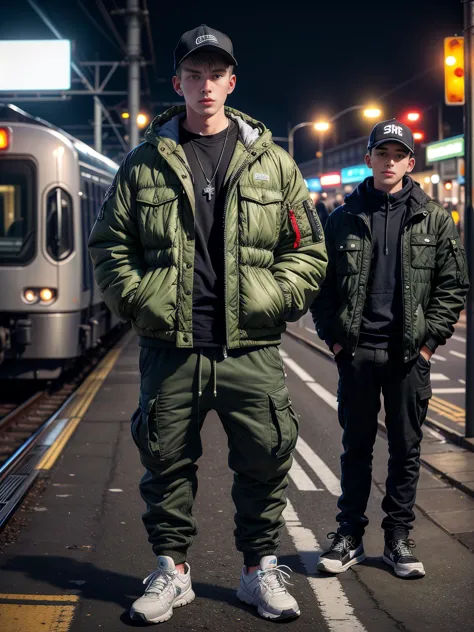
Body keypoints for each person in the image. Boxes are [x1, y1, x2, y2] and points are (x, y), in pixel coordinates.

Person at [89, 24, 327, 624]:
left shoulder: (273, 163)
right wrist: (142, 300)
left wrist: (273, 297)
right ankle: (173, 572)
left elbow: (309, 248)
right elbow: (110, 246)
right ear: (178, 83)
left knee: (265, 460)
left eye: (215, 75)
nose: (205, 87)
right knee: (165, 462)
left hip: (251, 347)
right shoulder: (143, 163)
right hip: (171, 346)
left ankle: (257, 572)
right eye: (193, 76)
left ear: (231, 81)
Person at [310, 119, 469, 579]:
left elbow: (452, 286)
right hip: (357, 355)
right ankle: (349, 537)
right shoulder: (341, 218)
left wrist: (427, 345)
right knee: (354, 448)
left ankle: (398, 537)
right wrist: (336, 342)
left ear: (410, 163)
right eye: (382, 153)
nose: (390, 161)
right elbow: (321, 290)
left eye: (398, 155)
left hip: (407, 359)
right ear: (369, 159)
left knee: (406, 450)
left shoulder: (434, 218)